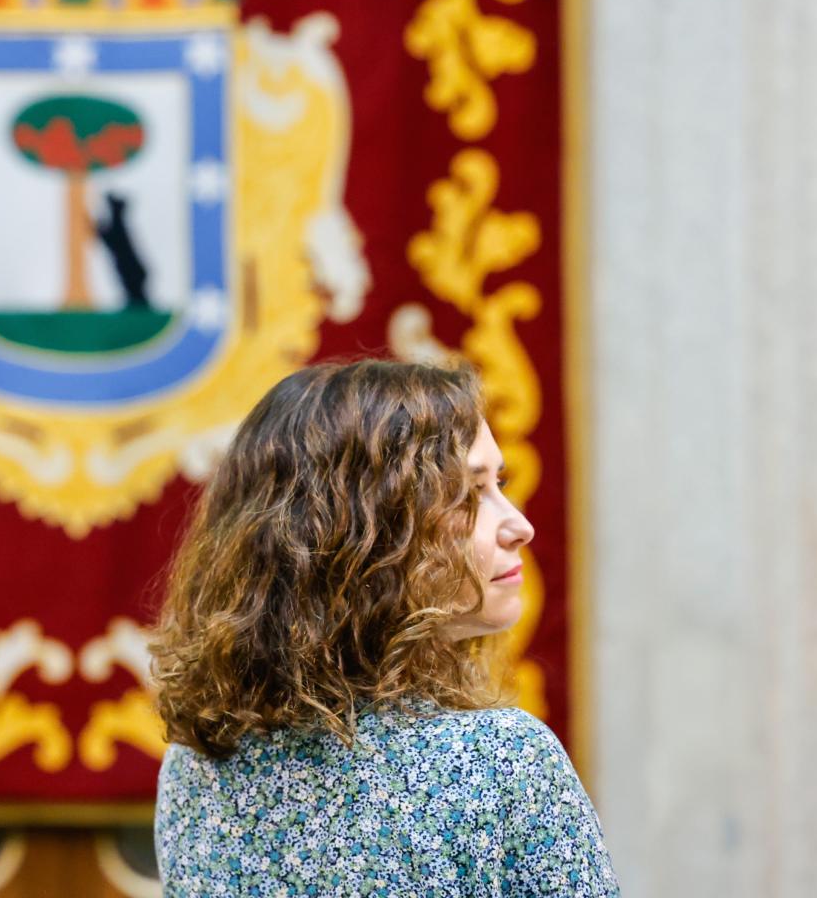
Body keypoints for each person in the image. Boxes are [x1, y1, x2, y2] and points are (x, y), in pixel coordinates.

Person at [150, 360, 618, 896]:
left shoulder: (196, 766)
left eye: (500, 484)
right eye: (468, 496)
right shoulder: (502, 761)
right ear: (365, 536)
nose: (520, 525)